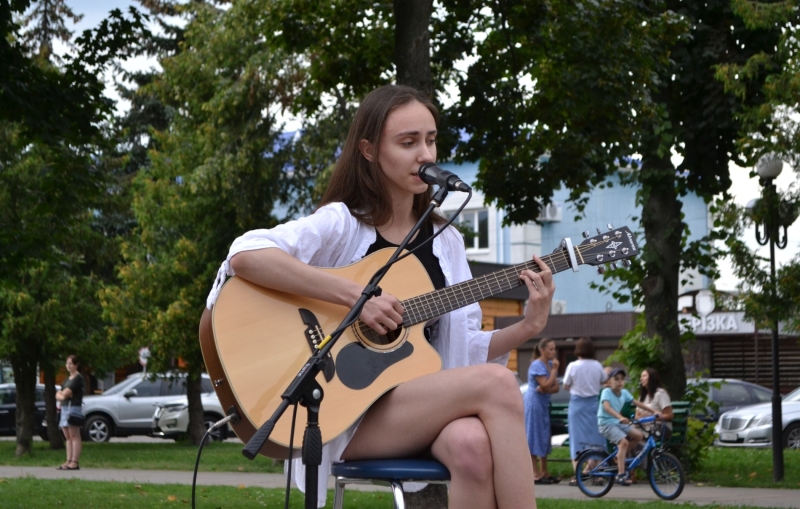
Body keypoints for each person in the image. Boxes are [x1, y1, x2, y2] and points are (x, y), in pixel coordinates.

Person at [203, 85, 556, 508]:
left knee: (471, 443)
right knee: (500, 382)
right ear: (369, 150)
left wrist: (529, 327)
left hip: (413, 409)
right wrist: (358, 296)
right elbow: (246, 255)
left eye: (430, 139)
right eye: (408, 142)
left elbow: (462, 350)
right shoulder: (343, 225)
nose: (425, 154)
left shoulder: (448, 242)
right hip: (342, 416)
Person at [597, 368, 659, 486]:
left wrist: (653, 410)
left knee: (638, 435)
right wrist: (620, 417)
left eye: (622, 379)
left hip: (617, 422)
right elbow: (607, 408)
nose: (620, 382)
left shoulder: (624, 392)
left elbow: (637, 402)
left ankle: (619, 456)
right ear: (609, 382)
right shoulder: (606, 392)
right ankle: (621, 474)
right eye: (616, 379)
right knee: (624, 443)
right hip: (605, 423)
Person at [562, 337, 608, 485]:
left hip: (577, 405)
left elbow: (565, 385)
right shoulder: (597, 365)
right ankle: (598, 473)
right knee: (595, 439)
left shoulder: (573, 366)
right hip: (593, 404)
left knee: (577, 441)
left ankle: (578, 476)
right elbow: (604, 380)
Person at [524, 338, 561, 485]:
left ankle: (545, 471)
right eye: (551, 349)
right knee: (534, 434)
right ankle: (535, 473)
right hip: (534, 404)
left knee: (544, 435)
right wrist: (553, 372)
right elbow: (545, 384)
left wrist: (547, 386)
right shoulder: (537, 365)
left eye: (554, 349)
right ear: (542, 350)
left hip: (543, 403)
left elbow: (555, 387)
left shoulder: (550, 364)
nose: (553, 352)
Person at [55, 354, 84, 470]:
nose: (68, 366)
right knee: (67, 436)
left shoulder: (78, 378)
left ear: (76, 365)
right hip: (65, 407)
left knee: (74, 435)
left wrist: (63, 395)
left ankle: (74, 462)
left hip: (73, 408)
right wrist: (62, 395)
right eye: (67, 363)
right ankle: (68, 460)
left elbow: (65, 394)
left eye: (71, 363)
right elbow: (59, 394)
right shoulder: (67, 379)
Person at [635, 367, 674, 441]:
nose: (641, 378)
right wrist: (641, 417)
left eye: (644, 376)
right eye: (641, 376)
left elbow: (669, 415)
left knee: (636, 435)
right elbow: (637, 416)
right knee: (626, 433)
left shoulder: (660, 393)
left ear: (652, 377)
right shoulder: (642, 397)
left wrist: (651, 417)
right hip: (643, 426)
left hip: (659, 427)